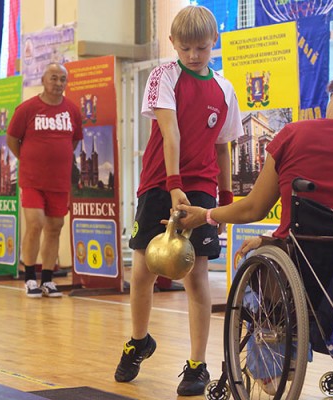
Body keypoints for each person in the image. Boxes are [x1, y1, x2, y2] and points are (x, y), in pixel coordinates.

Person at [114, 5, 242, 396]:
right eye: (185, 48)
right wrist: (172, 185)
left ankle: (197, 364)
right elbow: (170, 134)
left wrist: (225, 197)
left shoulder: (225, 89)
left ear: (213, 43)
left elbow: (224, 146)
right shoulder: (162, 76)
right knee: (143, 272)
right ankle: (139, 340)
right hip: (159, 183)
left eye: (201, 48)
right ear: (173, 43)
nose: (193, 56)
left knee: (196, 275)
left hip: (201, 186)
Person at [177, 64, 333, 259]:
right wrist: (267, 238)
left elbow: (253, 209)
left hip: (302, 259)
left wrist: (207, 215)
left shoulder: (295, 134)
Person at [7, 62, 83, 298]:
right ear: (43, 79)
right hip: (32, 179)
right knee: (35, 223)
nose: (58, 83)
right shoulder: (27, 109)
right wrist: (29, 160)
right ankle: (30, 277)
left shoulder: (72, 110)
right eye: (53, 78)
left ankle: (48, 280)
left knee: (55, 227)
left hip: (59, 181)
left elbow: (74, 141)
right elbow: (12, 139)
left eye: (62, 79)